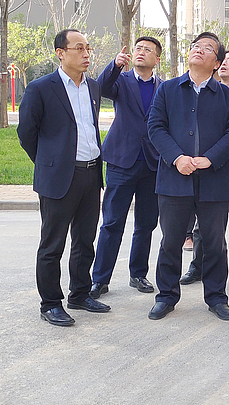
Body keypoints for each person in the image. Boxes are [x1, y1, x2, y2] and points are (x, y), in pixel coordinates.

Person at [147, 32, 229, 321]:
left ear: (217, 63)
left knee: (214, 242)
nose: (199, 50)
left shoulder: (228, 96)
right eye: (196, 46)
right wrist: (177, 158)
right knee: (171, 241)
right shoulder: (168, 90)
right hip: (174, 178)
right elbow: (155, 127)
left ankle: (216, 297)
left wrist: (210, 158)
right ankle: (166, 296)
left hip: (214, 180)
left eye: (208, 48)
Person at [18, 29, 110, 327]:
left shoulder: (93, 87)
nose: (86, 54)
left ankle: (80, 294)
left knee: (85, 240)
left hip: (91, 173)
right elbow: (27, 133)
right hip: (59, 177)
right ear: (60, 53)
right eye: (79, 48)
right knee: (52, 243)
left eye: (88, 48)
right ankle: (50, 303)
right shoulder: (41, 88)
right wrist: (50, 162)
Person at [90, 37, 163, 299]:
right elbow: (100, 88)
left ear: (157, 59)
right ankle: (100, 279)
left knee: (146, 224)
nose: (141, 52)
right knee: (112, 222)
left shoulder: (164, 88)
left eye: (147, 50)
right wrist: (115, 65)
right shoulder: (121, 81)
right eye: (138, 49)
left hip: (152, 163)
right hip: (122, 160)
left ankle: (138, 274)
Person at [180, 50, 229, 288]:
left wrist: (218, 146)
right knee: (202, 224)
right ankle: (197, 267)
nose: (225, 64)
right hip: (206, 168)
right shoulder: (207, 91)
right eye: (223, 60)